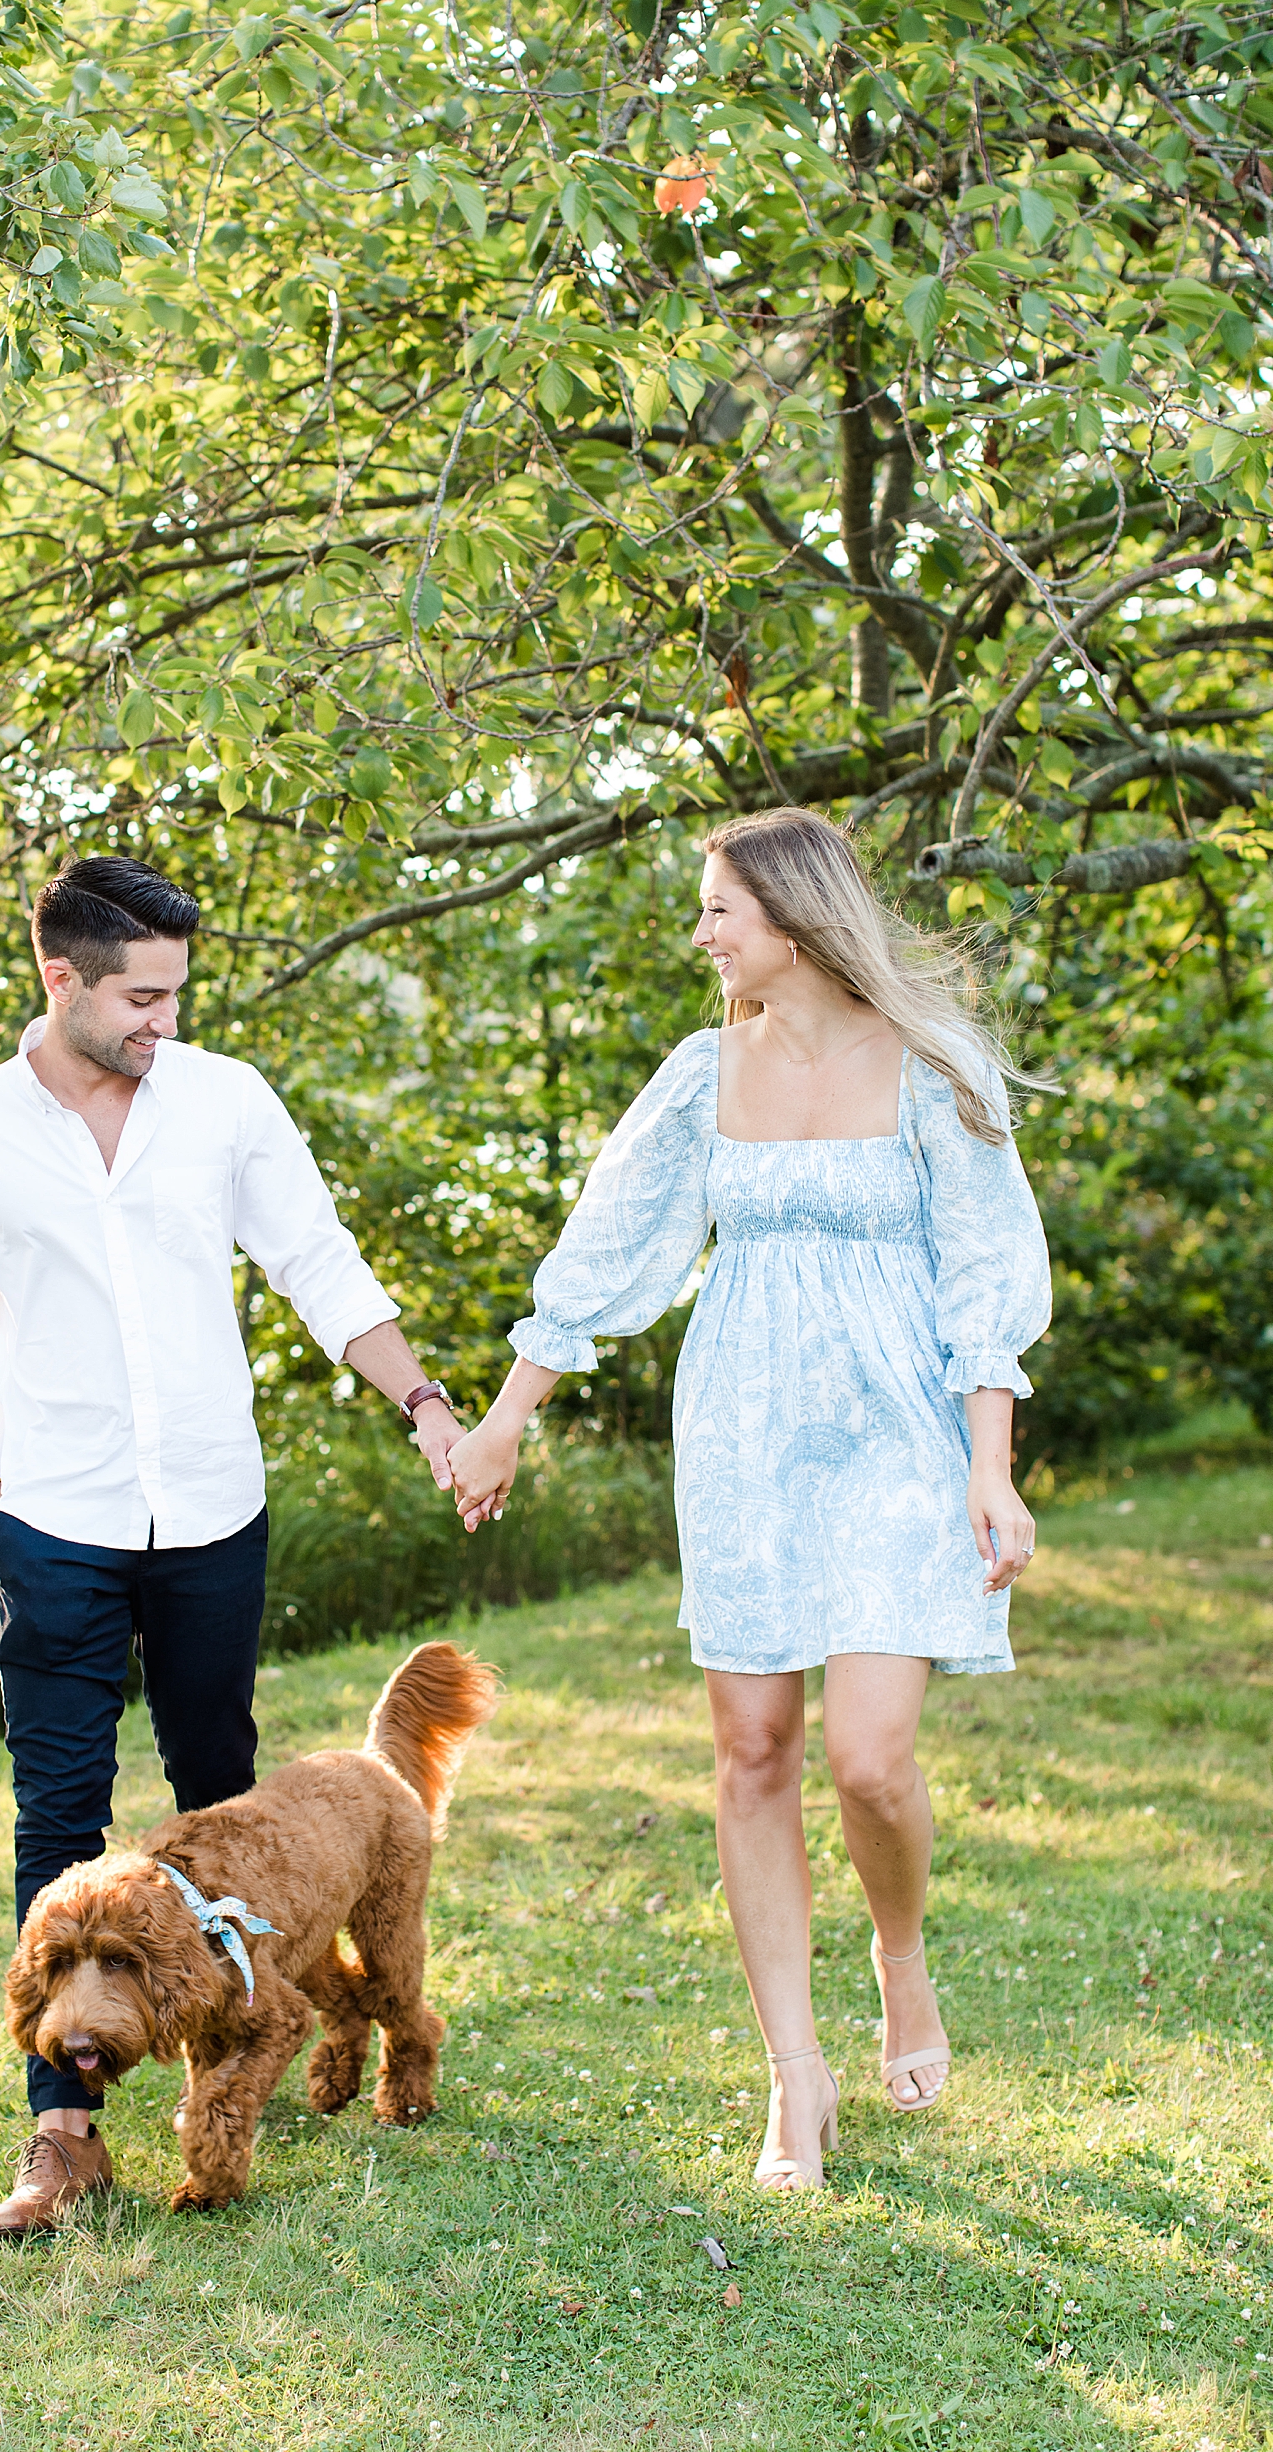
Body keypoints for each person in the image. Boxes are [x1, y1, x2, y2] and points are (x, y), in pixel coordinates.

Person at [446, 807, 1052, 2192]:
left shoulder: (935, 1068)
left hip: (900, 1427)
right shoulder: (698, 1073)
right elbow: (609, 1253)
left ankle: (901, 1956)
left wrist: (991, 1462)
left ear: (792, 916)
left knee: (870, 1759)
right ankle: (796, 2078)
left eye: (720, 908)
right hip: (743, 1430)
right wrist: (502, 1423)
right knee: (755, 1750)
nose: (704, 931)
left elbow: (986, 1278)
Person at [0, 853, 463, 2237]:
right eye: (141, 998)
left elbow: (319, 1263)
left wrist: (428, 1405)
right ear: (63, 979)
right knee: (58, 1817)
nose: (163, 1022)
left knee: (226, 1799)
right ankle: (62, 2133)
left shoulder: (222, 1103)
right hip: (55, 1525)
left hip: (212, 1509)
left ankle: (240, 2049)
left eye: (175, 996)